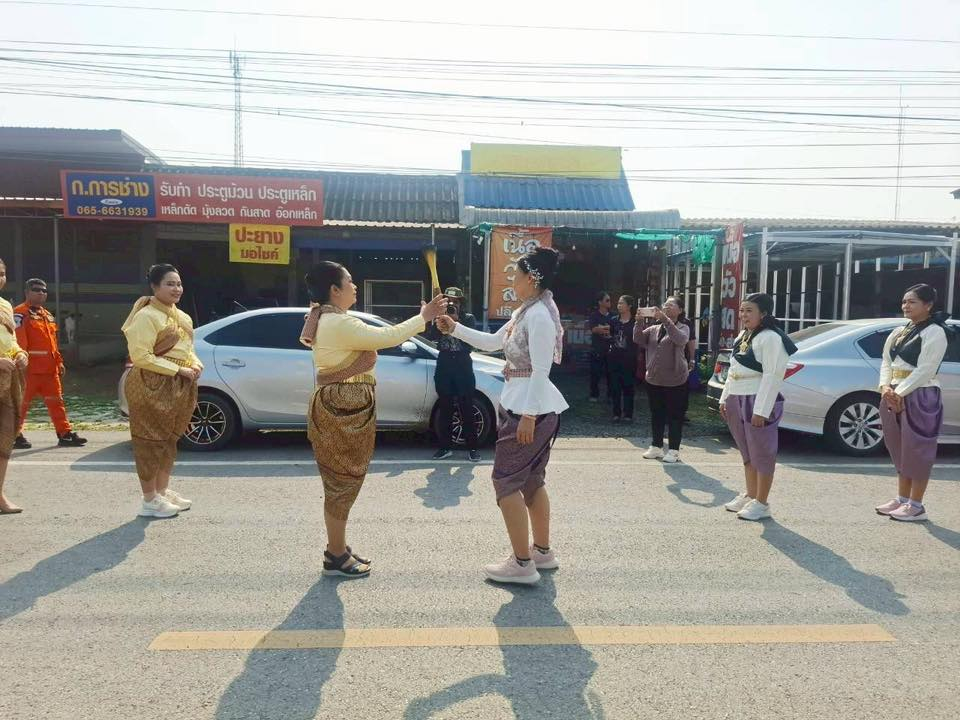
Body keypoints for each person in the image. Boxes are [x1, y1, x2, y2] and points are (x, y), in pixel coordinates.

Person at [301, 261, 447, 578]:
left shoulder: (330, 319)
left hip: (342, 404)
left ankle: (336, 549)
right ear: (334, 290)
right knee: (342, 483)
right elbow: (390, 336)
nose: (355, 287)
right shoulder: (338, 323)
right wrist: (424, 317)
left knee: (341, 482)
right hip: (344, 405)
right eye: (350, 281)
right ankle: (335, 555)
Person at [437, 247, 567, 585]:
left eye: (517, 276)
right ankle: (541, 552)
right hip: (533, 408)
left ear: (532, 279)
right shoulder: (528, 311)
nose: (513, 281)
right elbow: (494, 342)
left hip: (529, 410)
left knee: (505, 481)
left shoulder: (537, 316)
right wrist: (454, 329)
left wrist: (526, 415)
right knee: (532, 481)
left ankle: (522, 564)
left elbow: (540, 370)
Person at [121, 264, 202, 519]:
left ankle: (162, 490)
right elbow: (141, 356)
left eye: (178, 284)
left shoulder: (183, 317)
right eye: (170, 284)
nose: (176, 289)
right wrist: (177, 370)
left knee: (169, 439)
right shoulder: (146, 316)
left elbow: (188, 350)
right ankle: (149, 499)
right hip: (150, 382)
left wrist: (195, 364)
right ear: (154, 287)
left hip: (179, 383)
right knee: (150, 441)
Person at [875, 284, 951, 522]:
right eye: (904, 301)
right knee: (899, 447)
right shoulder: (898, 331)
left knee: (918, 448)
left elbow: (926, 369)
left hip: (920, 393)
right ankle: (902, 498)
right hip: (894, 393)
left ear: (928, 305)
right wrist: (886, 387)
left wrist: (900, 393)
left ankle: (916, 505)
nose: (906, 306)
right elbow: (886, 361)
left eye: (912, 302)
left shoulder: (935, 332)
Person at [719, 293, 797, 521]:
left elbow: (773, 375)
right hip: (737, 397)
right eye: (742, 310)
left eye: (749, 310)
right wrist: (725, 397)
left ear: (763, 313)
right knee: (747, 451)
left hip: (756, 400)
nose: (743, 315)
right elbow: (733, 370)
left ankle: (762, 502)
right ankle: (751, 494)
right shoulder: (743, 336)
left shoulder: (771, 338)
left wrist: (761, 410)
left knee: (762, 452)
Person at [13, 278, 86, 449]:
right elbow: (19, 342)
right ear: (27, 292)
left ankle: (64, 434)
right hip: (29, 370)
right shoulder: (20, 314)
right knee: (21, 404)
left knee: (57, 402)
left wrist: (59, 362)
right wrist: (20, 364)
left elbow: (53, 343)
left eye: (44, 291)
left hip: (50, 370)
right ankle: (14, 435)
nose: (41, 293)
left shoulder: (47, 315)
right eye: (37, 289)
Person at [426, 287, 481, 462]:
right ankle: (445, 447)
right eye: (449, 301)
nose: (451, 304)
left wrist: (456, 321)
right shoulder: (439, 316)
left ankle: (473, 448)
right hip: (445, 362)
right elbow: (431, 336)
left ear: (461, 303)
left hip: (463, 363)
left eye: (455, 302)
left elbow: (471, 342)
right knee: (445, 406)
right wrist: (438, 319)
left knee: (467, 406)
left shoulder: (468, 318)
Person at [635, 297, 690, 463]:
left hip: (676, 379)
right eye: (665, 304)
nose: (666, 306)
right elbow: (638, 339)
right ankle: (656, 446)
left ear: (680, 310)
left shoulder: (684, 327)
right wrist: (637, 322)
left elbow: (680, 340)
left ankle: (673, 450)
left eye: (671, 305)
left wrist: (665, 320)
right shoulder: (653, 328)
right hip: (655, 379)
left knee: (675, 415)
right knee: (656, 413)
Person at [0, 259, 28, 513]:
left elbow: (12, 341)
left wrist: (20, 354)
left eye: (2, 274)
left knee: (4, 439)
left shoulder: (6, 306)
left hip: (8, 381)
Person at [608, 294, 637, 423]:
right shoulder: (614, 320)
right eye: (618, 303)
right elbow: (611, 335)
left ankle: (628, 413)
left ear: (629, 306)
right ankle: (616, 412)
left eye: (622, 303)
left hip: (630, 358)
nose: (619, 306)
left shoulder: (635, 322)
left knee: (628, 386)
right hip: (615, 357)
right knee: (615, 385)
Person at [587, 291, 614, 402]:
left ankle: (610, 395)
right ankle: (594, 394)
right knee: (595, 373)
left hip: (610, 348)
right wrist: (607, 328)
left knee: (611, 374)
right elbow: (594, 329)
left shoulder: (613, 316)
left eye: (609, 300)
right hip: (597, 348)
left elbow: (614, 329)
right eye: (607, 300)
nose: (609, 302)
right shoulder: (594, 315)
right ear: (600, 302)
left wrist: (603, 328)